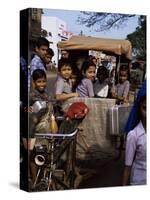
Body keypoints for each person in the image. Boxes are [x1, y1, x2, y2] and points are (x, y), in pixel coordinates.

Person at [122, 80, 146, 186]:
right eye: (145, 108)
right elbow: (128, 166)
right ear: (139, 109)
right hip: (139, 182)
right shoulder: (134, 135)